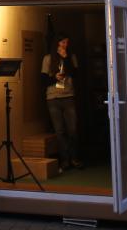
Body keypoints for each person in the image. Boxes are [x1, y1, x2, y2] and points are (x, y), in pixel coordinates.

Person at [41, 36, 82, 170]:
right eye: (63, 42)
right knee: (59, 131)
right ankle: (64, 160)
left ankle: (74, 158)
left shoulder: (71, 56)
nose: (65, 44)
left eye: (67, 42)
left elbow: (76, 74)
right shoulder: (48, 58)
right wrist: (54, 78)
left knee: (73, 129)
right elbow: (43, 80)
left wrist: (66, 58)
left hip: (68, 95)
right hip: (53, 98)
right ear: (57, 43)